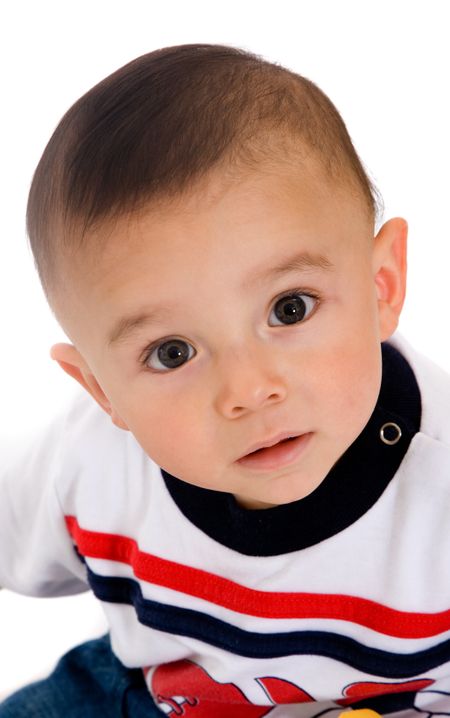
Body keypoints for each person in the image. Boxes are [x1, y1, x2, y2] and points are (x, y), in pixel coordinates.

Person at [0, 43, 449, 718]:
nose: (246, 390)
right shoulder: (88, 463)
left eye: (289, 309)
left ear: (381, 285)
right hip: (157, 695)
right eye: (173, 352)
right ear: (100, 390)